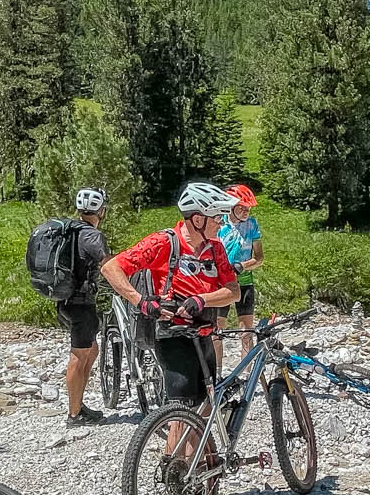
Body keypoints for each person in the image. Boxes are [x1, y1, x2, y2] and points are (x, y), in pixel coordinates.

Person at [99, 181, 241, 410]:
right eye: (217, 217)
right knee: (181, 410)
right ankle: (172, 434)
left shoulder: (216, 248)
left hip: (204, 332)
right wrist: (141, 301)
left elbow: (233, 292)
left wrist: (202, 299)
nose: (221, 223)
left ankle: (199, 436)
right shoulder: (164, 242)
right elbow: (111, 268)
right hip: (173, 334)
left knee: (206, 407)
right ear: (198, 220)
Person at [58, 187, 111, 427]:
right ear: (101, 211)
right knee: (79, 355)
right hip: (80, 302)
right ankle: (74, 414)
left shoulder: (70, 230)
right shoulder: (92, 235)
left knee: (91, 349)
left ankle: (78, 404)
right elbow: (108, 265)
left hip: (66, 300)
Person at [218, 184, 264, 347]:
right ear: (230, 207)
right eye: (242, 208)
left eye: (248, 209)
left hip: (244, 280)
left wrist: (242, 266)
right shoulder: (218, 224)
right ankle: (216, 364)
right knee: (217, 331)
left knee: (247, 332)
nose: (246, 212)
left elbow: (259, 258)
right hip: (221, 283)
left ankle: (248, 363)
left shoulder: (252, 225)